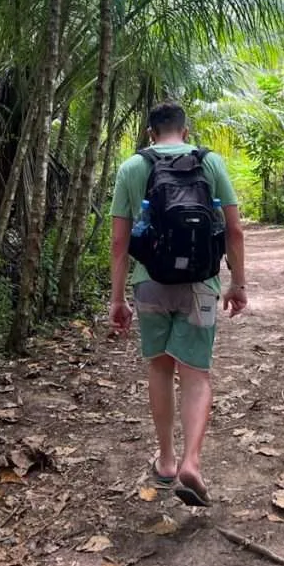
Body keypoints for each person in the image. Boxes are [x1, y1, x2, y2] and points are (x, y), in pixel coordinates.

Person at [109, 100, 248, 506]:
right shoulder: (211, 163)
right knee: (196, 373)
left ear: (151, 133)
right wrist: (237, 283)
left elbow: (119, 241)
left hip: (149, 284)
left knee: (160, 367)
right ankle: (192, 461)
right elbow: (235, 230)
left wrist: (117, 299)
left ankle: (167, 461)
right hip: (200, 284)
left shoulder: (132, 167)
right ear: (185, 132)